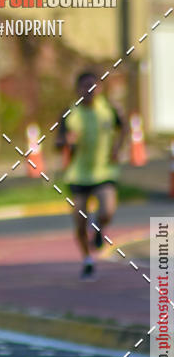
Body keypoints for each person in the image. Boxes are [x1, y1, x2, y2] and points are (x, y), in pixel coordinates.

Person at [57, 69, 125, 279]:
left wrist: (117, 148)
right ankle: (87, 259)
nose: (89, 90)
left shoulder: (109, 109)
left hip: (103, 171)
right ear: (77, 89)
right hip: (78, 175)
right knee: (79, 221)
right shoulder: (70, 114)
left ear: (100, 88)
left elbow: (124, 128)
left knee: (108, 210)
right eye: (85, 86)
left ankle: (98, 230)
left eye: (93, 86)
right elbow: (57, 143)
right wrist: (66, 142)